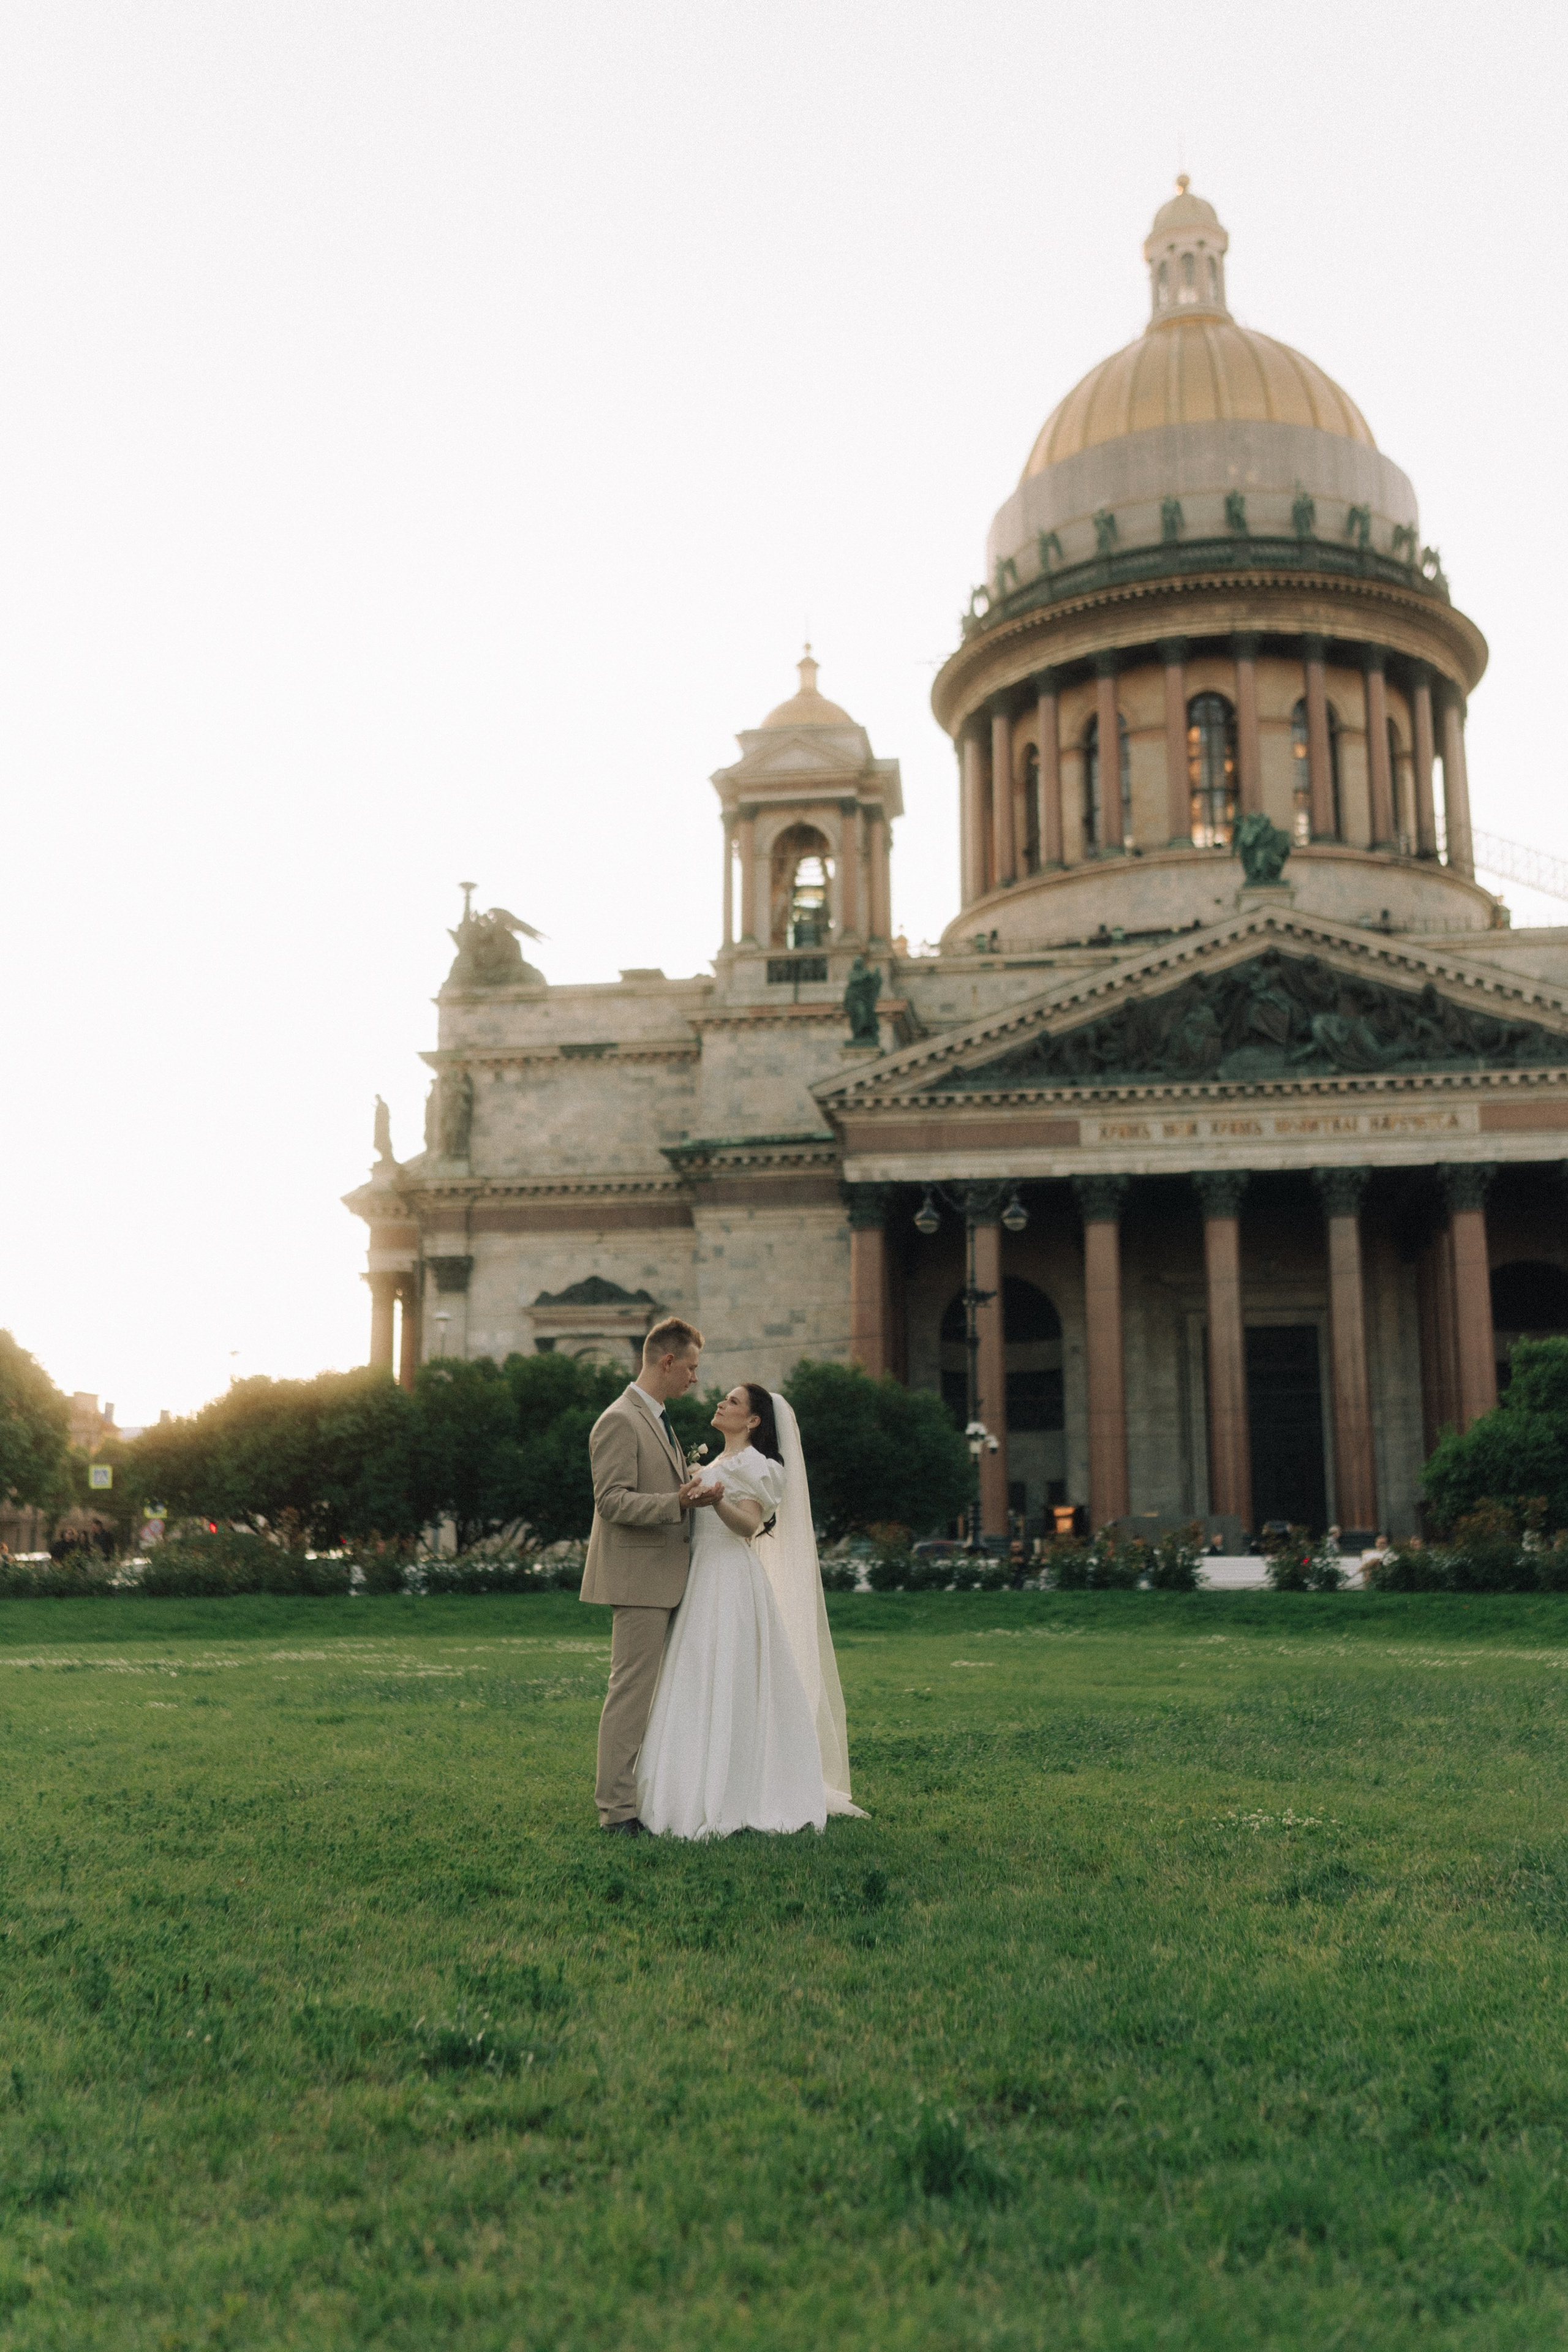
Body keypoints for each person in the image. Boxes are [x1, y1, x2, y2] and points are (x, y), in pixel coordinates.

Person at [636, 1382, 863, 1840]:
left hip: (728, 1579)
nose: (722, 1403)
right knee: (692, 1675)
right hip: (696, 1576)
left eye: (734, 1401)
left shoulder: (760, 1466)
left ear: (754, 1420)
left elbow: (748, 1526)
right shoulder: (710, 1464)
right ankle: (681, 1785)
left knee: (727, 1675)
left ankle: (736, 1789)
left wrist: (717, 1500)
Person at [581, 1317, 722, 1834]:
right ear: (667, 1362)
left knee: (655, 1694)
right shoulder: (620, 1420)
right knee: (631, 1694)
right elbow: (611, 1501)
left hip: (667, 1577)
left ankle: (652, 1795)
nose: (695, 1378)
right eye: (691, 1368)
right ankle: (616, 1812)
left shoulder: (657, 1418)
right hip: (639, 1579)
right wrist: (676, 1501)